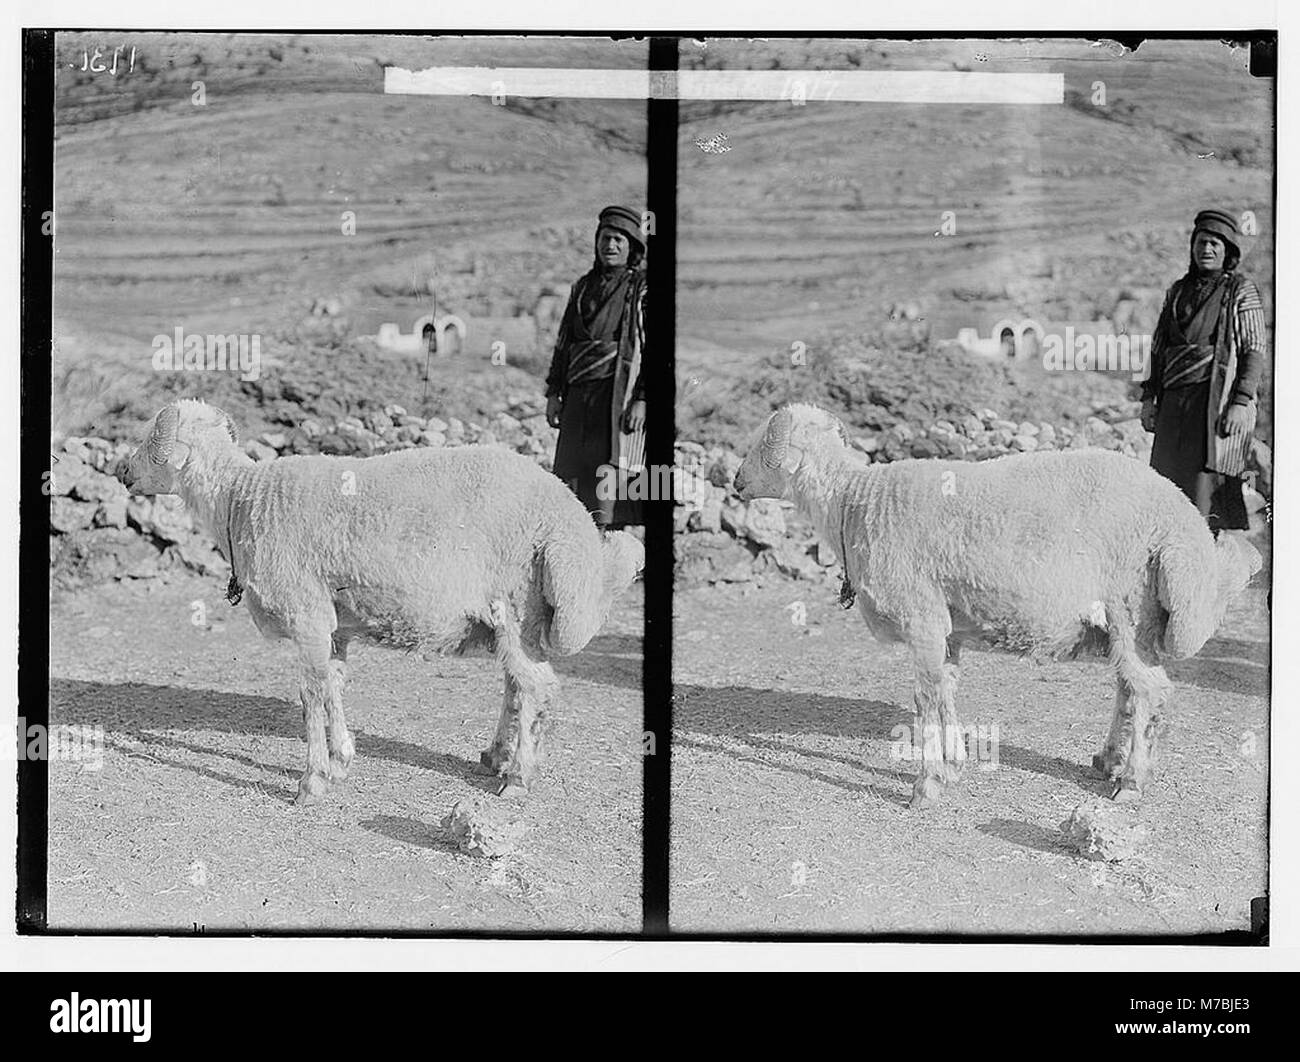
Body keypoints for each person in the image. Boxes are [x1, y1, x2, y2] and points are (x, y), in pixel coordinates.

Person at [1141, 208, 1267, 532]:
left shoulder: (1240, 290)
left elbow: (1254, 349)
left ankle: (1204, 552)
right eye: (1201, 242)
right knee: (1165, 482)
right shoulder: (1177, 292)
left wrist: (1240, 402)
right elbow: (1158, 349)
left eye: (1214, 243)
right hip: (1173, 405)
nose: (1206, 249)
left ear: (1228, 251)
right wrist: (1148, 399)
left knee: (1204, 488)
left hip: (1213, 403)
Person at [544, 205, 647, 528]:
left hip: (615, 392)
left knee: (610, 467)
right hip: (578, 393)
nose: (610, 245)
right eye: (605, 238)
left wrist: (642, 398)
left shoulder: (640, 288)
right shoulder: (582, 287)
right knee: (570, 469)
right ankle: (571, 535)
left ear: (631, 247)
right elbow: (564, 343)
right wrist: (554, 393)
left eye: (618, 239)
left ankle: (606, 534)